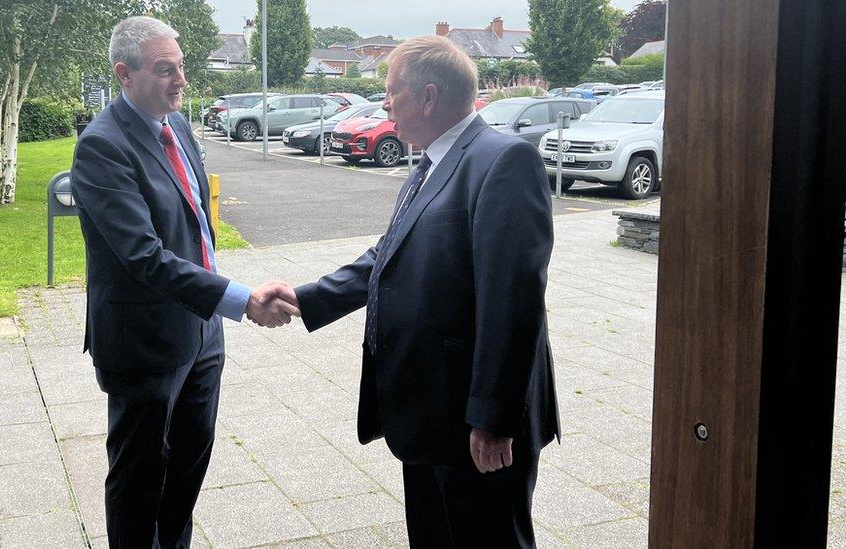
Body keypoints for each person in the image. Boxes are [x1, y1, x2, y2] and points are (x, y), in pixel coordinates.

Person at [289, 35, 560, 548]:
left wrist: (493, 420)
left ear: (429, 97)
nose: (385, 104)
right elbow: (387, 255)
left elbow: (513, 301)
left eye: (391, 91)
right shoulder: (433, 160)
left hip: (472, 421)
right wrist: (307, 299)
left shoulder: (503, 162)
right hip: (429, 411)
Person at [69, 16, 298, 548]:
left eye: (182, 67)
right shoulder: (103, 146)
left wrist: (216, 309)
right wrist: (240, 300)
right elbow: (144, 256)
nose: (181, 81)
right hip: (143, 342)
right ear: (124, 74)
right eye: (165, 70)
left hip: (200, 337)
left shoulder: (179, 128)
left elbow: (196, 225)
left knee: (186, 477)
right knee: (139, 483)